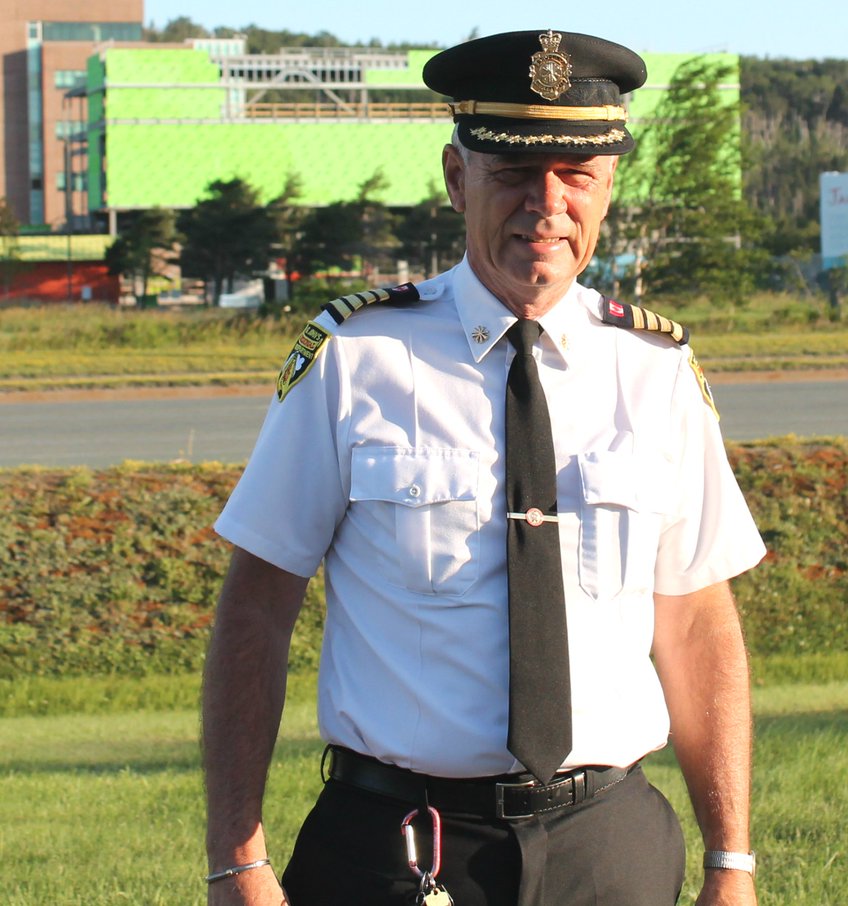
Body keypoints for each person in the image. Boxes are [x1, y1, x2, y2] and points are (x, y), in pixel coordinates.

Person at [202, 28, 765, 906]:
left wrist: (732, 862)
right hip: (397, 852)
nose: (548, 204)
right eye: (511, 172)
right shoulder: (356, 359)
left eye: (577, 173)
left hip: (609, 848)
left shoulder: (655, 372)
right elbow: (258, 607)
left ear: (609, 184)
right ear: (457, 177)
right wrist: (238, 858)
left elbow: (696, 625)